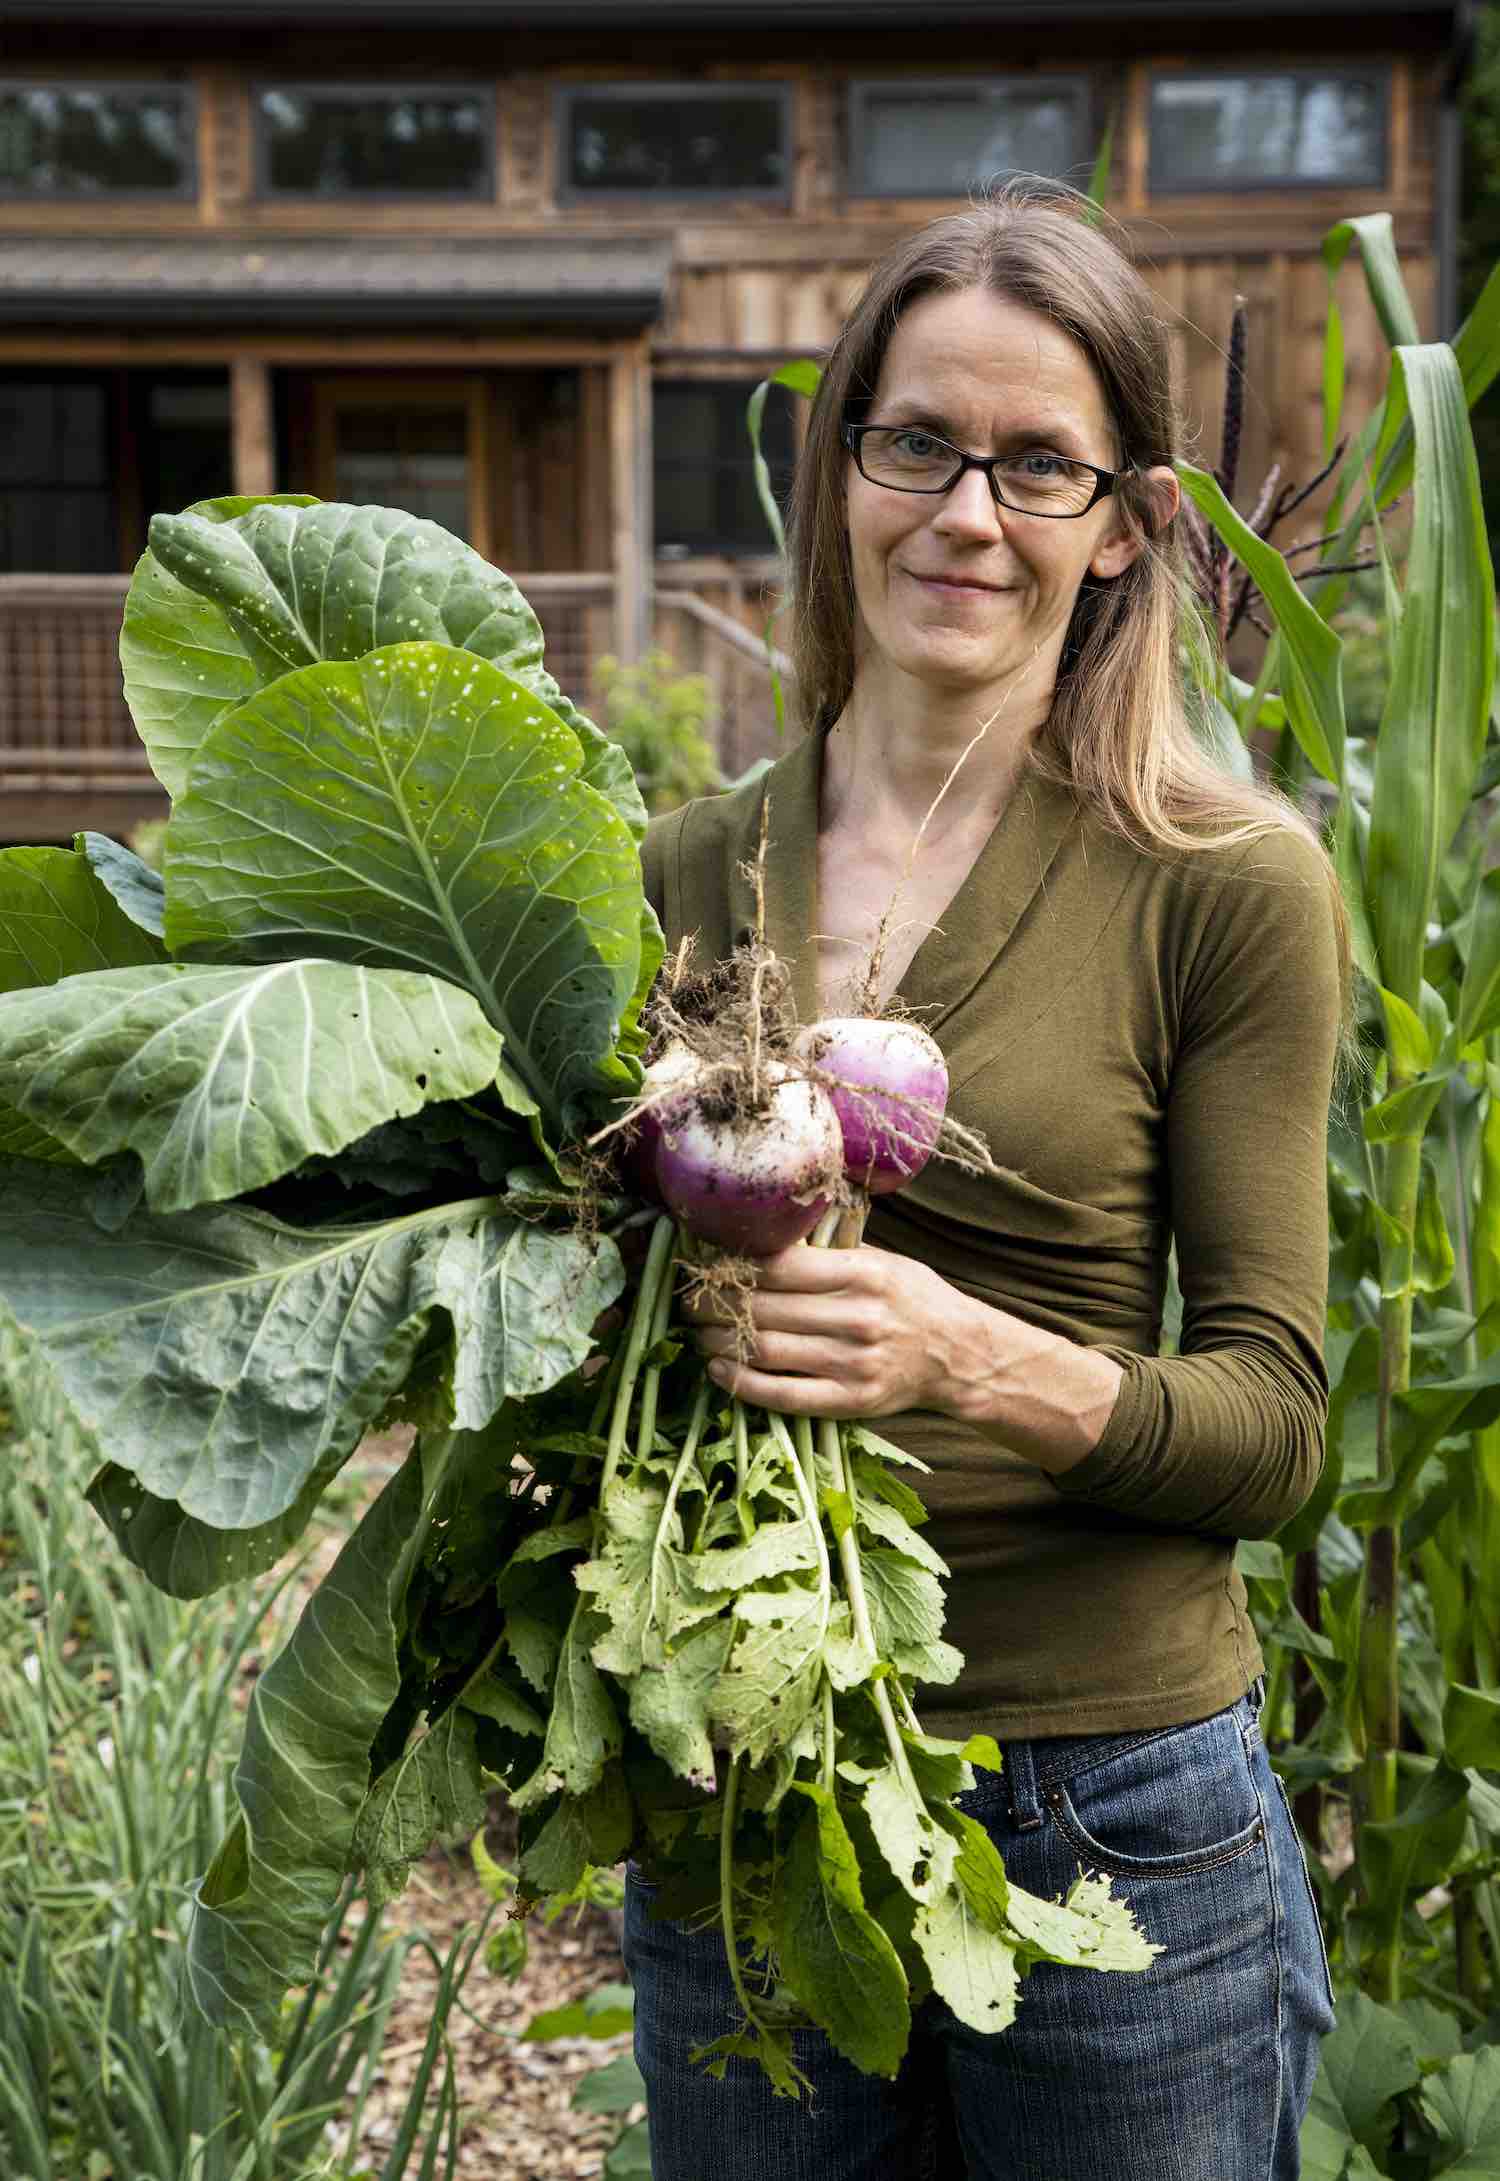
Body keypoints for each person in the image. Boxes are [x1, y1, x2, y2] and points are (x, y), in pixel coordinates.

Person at [627, 182, 1343, 2181]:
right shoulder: (686, 866)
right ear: (840, 467)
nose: (966, 512)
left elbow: (1277, 1430)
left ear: (1125, 519)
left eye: (1039, 464)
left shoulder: (1226, 882)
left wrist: (967, 1355)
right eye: (918, 443)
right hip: (755, 1791)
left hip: (1111, 1810)